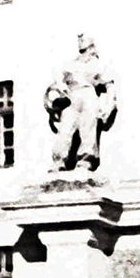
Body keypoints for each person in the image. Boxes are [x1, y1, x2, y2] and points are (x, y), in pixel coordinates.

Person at [45, 34, 118, 173]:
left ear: (91, 45)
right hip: (72, 96)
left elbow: (109, 85)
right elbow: (57, 81)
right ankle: (59, 160)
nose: (80, 40)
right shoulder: (71, 64)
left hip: (88, 94)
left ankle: (86, 159)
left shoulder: (98, 64)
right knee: (65, 129)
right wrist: (60, 88)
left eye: (83, 39)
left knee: (88, 127)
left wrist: (109, 105)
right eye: (79, 39)